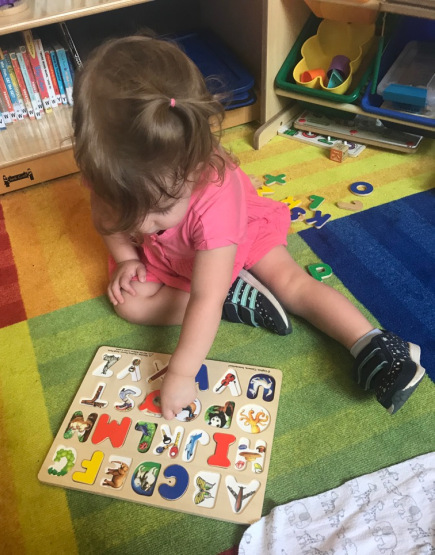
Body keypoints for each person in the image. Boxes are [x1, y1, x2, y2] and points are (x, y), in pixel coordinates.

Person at [72, 34, 425, 420]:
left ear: (194, 169)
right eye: (127, 208)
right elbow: (107, 222)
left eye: (159, 209)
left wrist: (181, 372)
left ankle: (375, 344)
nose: (139, 224)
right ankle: (233, 299)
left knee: (291, 284)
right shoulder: (110, 174)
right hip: (176, 259)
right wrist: (125, 257)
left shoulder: (216, 204)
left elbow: (203, 297)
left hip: (234, 239)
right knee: (129, 303)